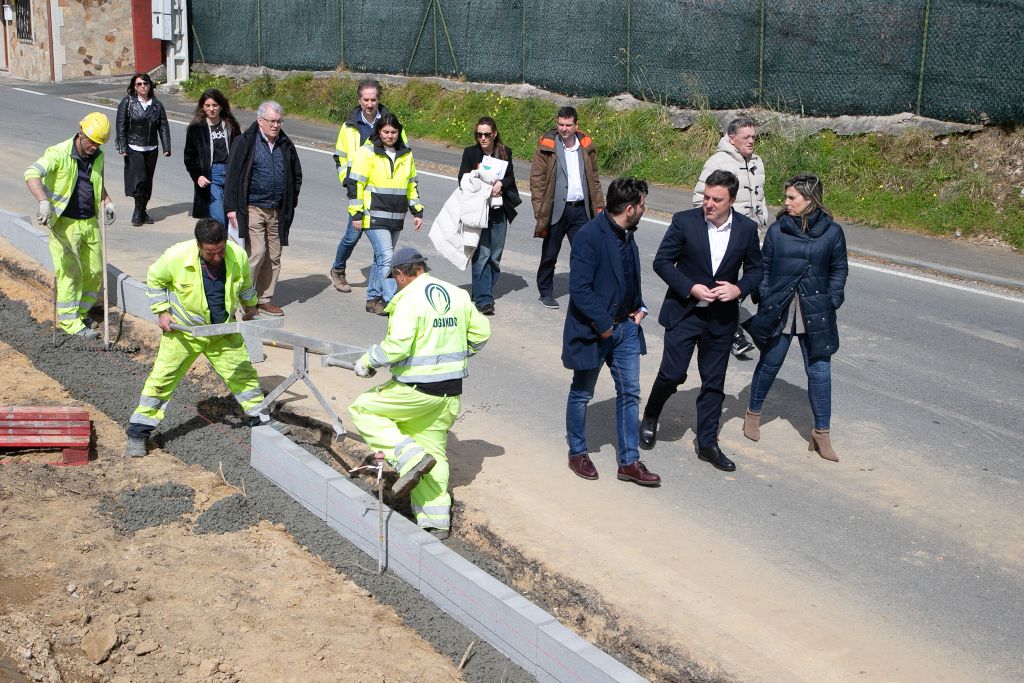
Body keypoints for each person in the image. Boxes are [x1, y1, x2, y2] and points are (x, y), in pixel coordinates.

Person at [348, 247, 490, 538]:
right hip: (448, 396)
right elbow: (481, 334)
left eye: (394, 278)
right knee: (434, 452)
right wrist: (454, 357)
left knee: (363, 409)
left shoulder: (408, 299)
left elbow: (397, 346)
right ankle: (436, 523)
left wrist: (368, 361)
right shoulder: (456, 294)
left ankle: (409, 459)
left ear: (402, 273)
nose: (395, 283)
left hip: (415, 392)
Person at [125, 218, 288, 457]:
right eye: (210, 253)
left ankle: (262, 420)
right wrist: (162, 311)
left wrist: (251, 307)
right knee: (162, 380)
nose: (217, 257)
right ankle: (138, 434)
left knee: (243, 375)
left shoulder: (237, 255)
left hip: (222, 332)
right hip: (185, 333)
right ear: (199, 245)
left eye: (220, 251)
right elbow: (155, 280)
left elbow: (244, 286)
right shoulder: (176, 257)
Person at [638, 170, 763, 472]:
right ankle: (651, 415)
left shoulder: (746, 229)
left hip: (720, 319)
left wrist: (738, 289)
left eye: (716, 200)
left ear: (732, 200)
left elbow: (758, 270)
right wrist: (690, 287)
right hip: (685, 312)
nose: (708, 204)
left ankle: (707, 443)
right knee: (672, 374)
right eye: (706, 197)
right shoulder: (684, 221)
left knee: (714, 383)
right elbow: (662, 262)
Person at [743, 174, 848, 462]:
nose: (786, 202)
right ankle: (753, 414)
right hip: (780, 308)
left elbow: (839, 270)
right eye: (786, 197)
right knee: (770, 364)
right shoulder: (778, 230)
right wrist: (764, 295)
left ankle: (822, 433)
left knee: (820, 372)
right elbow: (764, 266)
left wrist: (832, 299)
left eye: (792, 197)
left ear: (810, 200)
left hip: (816, 311)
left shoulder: (833, 232)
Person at [562, 178, 660, 486]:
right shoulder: (589, 236)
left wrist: (640, 306)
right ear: (630, 209)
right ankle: (577, 451)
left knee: (630, 393)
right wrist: (604, 326)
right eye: (643, 205)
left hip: (627, 329)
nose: (645, 210)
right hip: (597, 330)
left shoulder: (627, 233)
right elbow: (579, 289)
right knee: (582, 393)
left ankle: (629, 462)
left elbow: (627, 277)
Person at [24, 112, 117, 340]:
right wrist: (43, 201)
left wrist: (107, 201)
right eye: (92, 142)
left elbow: (97, 183)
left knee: (94, 271)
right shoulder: (58, 153)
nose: (95, 147)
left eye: (99, 143)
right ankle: (69, 321)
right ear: (80, 133)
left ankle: (82, 312)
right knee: (70, 272)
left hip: (90, 222)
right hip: (64, 224)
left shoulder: (99, 156)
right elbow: (31, 173)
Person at [693, 116, 768, 359]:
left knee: (754, 280)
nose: (751, 141)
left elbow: (760, 197)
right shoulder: (718, 162)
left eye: (754, 137)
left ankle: (737, 324)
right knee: (727, 283)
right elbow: (700, 199)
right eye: (746, 137)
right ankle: (731, 332)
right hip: (728, 235)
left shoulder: (757, 162)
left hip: (754, 235)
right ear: (731, 138)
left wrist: (763, 223)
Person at [224, 100, 303, 317]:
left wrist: (290, 201)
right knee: (257, 252)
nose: (276, 125)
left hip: (277, 210)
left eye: (279, 121)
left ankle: (264, 299)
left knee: (274, 256)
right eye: (272, 121)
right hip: (252, 208)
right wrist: (231, 207)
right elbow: (231, 176)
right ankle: (247, 300)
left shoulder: (285, 144)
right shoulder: (245, 142)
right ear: (260, 120)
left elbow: (296, 175)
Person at [329, 79, 402, 293]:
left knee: (382, 243)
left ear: (379, 99)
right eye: (366, 99)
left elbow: (403, 151)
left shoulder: (390, 123)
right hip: (359, 189)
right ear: (359, 100)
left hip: (382, 192)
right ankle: (338, 269)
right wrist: (347, 179)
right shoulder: (349, 127)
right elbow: (340, 157)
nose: (370, 104)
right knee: (353, 233)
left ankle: (377, 286)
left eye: (373, 99)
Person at [347, 113, 424, 316]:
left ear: (399, 133)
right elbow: (355, 184)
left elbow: (411, 185)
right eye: (386, 132)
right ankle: (392, 301)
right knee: (388, 258)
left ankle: (373, 299)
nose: (390, 136)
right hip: (373, 215)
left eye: (394, 132)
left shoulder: (406, 154)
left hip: (396, 216)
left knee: (380, 259)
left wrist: (417, 210)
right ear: (378, 132)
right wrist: (356, 214)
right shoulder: (367, 152)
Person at [529, 105, 604, 309]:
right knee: (550, 254)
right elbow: (537, 181)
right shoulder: (547, 146)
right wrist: (539, 210)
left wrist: (599, 207)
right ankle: (545, 292)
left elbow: (594, 180)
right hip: (555, 209)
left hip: (580, 210)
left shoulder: (586, 146)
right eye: (561, 124)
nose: (564, 129)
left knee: (583, 254)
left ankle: (583, 292)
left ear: (576, 125)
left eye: (568, 125)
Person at [457, 116, 521, 315]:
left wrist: (502, 184)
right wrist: (479, 181)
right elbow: (461, 179)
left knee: (495, 256)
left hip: (499, 210)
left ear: (494, 134)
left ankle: (480, 290)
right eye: (479, 134)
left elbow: (510, 177)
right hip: (478, 210)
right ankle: (484, 298)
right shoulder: (470, 153)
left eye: (486, 134)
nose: (482, 138)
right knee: (482, 254)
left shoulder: (504, 152)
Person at [115, 72, 171, 227]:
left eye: (145, 83)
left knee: (147, 181)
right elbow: (121, 125)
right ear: (134, 87)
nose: (143, 86)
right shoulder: (128, 102)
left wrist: (166, 147)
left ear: (150, 85)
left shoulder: (157, 105)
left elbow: (163, 126)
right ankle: (138, 212)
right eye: (139, 84)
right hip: (134, 147)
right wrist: (122, 146)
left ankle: (143, 209)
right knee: (139, 180)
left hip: (151, 148)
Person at [183, 89, 241, 228]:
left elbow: (240, 150)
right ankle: (219, 245)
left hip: (231, 173)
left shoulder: (230, 126)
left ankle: (225, 246)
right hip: (211, 175)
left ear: (221, 106)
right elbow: (190, 157)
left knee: (232, 216)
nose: (211, 109)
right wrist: (197, 176)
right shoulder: (196, 129)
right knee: (218, 217)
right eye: (207, 106)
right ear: (202, 107)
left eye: (215, 105)